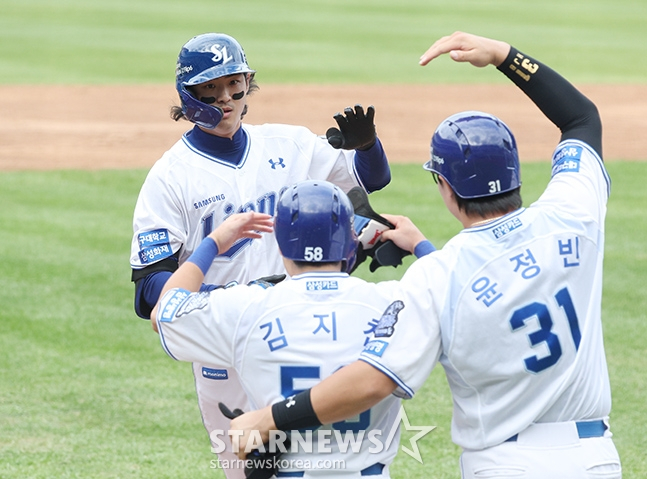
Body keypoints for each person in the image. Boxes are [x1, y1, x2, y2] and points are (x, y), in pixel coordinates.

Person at [228, 32, 622, 479]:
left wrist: (268, 419)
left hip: (504, 465)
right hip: (594, 458)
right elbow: (581, 118)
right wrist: (502, 56)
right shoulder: (573, 214)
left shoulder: (438, 276)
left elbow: (373, 379)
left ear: (446, 188)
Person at [129, 33, 392, 478]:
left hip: (296, 332)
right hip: (222, 342)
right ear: (188, 95)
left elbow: (371, 182)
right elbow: (149, 288)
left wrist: (368, 146)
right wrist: (235, 296)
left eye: (235, 84)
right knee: (248, 470)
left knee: (320, 458)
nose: (226, 98)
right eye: (211, 89)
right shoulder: (169, 177)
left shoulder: (289, 145)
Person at [150, 180, 434, 478]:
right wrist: (419, 244)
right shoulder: (391, 303)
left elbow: (163, 311)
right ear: (351, 242)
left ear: (282, 243)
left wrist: (214, 242)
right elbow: (453, 298)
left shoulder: (246, 308)